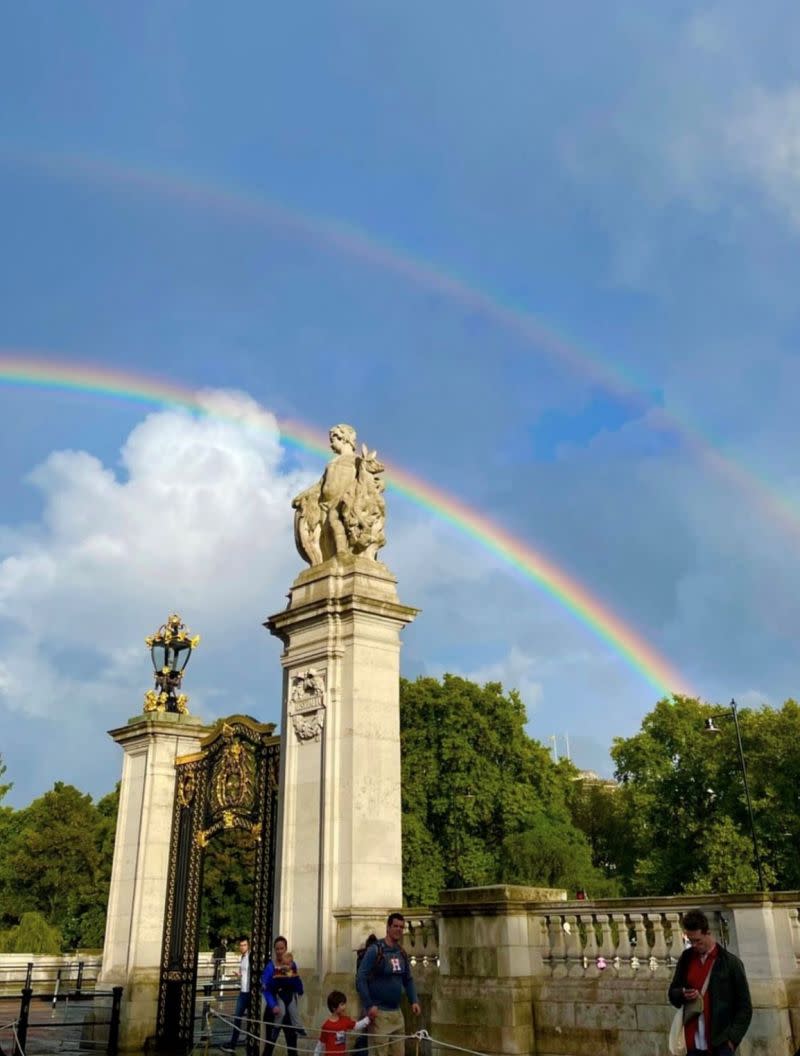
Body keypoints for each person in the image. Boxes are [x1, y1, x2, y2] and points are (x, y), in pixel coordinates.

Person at [668, 909, 752, 1055]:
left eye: (697, 941)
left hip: (720, 1043)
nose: (694, 945)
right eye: (690, 941)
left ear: (708, 933)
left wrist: (732, 1040)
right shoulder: (687, 958)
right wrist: (682, 994)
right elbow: (672, 993)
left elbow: (744, 1006)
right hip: (691, 1040)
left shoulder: (730, 963)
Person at [356, 912, 420, 1055]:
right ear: (388, 927)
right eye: (395, 926)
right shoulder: (375, 950)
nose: (398, 929)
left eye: (401, 927)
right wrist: (368, 1004)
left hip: (397, 1014)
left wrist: (414, 1000)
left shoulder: (402, 952)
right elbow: (361, 978)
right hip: (379, 1014)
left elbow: (408, 979)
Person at [261, 936, 304, 1056]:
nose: (279, 951)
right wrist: (273, 1005)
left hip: (289, 1010)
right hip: (274, 1010)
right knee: (269, 1046)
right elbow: (266, 989)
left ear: (286, 949)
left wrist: (296, 981)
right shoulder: (270, 966)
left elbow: (297, 985)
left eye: (282, 948)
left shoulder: (291, 964)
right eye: (277, 949)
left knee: (292, 1046)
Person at [314, 990, 373, 1056]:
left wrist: (369, 1017)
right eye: (342, 1004)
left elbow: (357, 1025)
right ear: (334, 1008)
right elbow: (320, 1044)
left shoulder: (345, 1020)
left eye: (344, 1004)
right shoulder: (326, 1026)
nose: (344, 1007)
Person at [221, 937, 251, 1052]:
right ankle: (233, 1044)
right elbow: (244, 974)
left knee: (251, 1019)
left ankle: (250, 1041)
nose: (242, 947)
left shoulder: (251, 957)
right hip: (243, 992)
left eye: (244, 945)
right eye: (241, 945)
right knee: (237, 1018)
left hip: (249, 993)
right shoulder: (242, 957)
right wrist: (238, 975)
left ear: (248, 946)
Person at [353, 934, 378, 1054]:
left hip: (366, 997)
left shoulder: (361, 956)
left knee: (366, 1028)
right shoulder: (369, 957)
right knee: (368, 1028)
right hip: (370, 997)